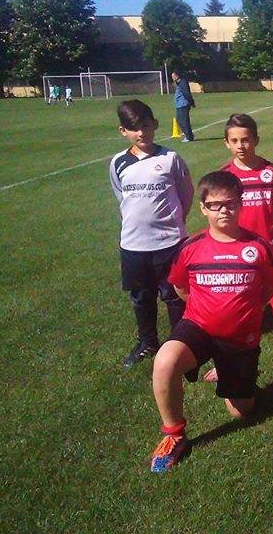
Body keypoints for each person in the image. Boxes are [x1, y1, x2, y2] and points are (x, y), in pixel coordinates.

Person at [148, 170, 273, 472]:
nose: (223, 210)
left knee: (242, 412)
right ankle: (173, 434)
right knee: (165, 361)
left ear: (240, 204)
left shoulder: (258, 247)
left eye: (230, 203)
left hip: (240, 337)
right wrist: (209, 310)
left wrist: (243, 312)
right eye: (215, 205)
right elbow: (181, 288)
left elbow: (270, 288)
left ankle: (226, 370)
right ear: (203, 208)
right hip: (199, 327)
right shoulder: (191, 247)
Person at [109, 100, 193, 369]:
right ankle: (147, 341)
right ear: (123, 131)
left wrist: (174, 222)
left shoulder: (170, 159)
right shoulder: (118, 163)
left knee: (173, 294)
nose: (141, 133)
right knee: (141, 297)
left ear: (155, 125)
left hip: (169, 243)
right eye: (134, 128)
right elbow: (122, 197)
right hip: (133, 244)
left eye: (146, 126)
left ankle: (179, 342)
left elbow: (186, 193)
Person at [221, 113, 273, 350]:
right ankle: (241, 324)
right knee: (239, 284)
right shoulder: (226, 175)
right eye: (234, 141)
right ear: (227, 143)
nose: (240, 146)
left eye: (245, 140)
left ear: (255, 140)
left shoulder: (269, 170)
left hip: (266, 239)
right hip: (237, 241)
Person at [171, 71, 196, 143]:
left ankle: (189, 137)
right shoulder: (179, 83)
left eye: (173, 76)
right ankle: (189, 135)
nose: (172, 78)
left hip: (183, 104)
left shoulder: (183, 82)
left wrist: (191, 102)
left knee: (184, 121)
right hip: (179, 105)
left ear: (177, 76)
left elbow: (186, 93)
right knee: (179, 120)